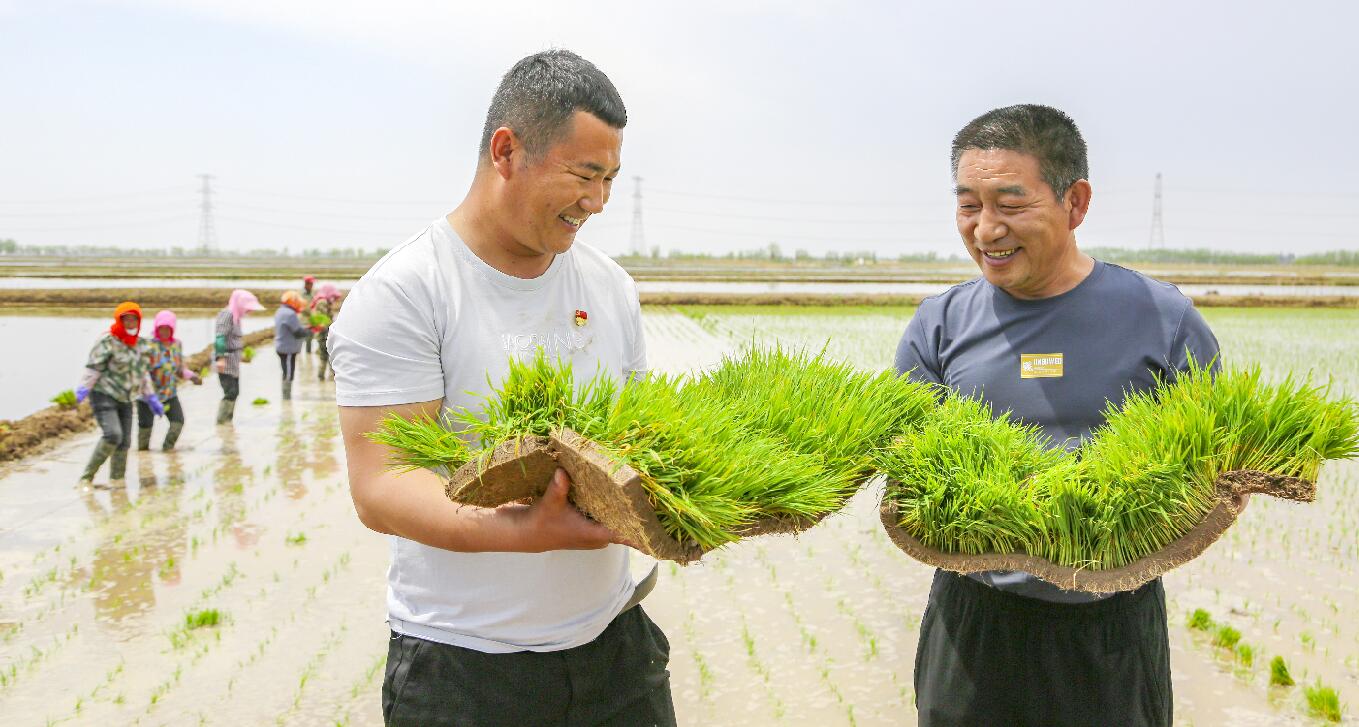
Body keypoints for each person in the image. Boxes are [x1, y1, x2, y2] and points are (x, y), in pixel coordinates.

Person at [330, 50, 672, 726]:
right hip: (465, 670)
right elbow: (381, 486)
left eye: (609, 179)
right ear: (507, 150)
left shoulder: (608, 286)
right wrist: (527, 531)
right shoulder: (408, 291)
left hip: (615, 648)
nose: (597, 201)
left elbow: (636, 436)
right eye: (584, 174)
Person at [895, 104, 1225, 727]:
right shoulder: (938, 326)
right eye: (969, 205)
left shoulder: (1163, 320)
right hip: (975, 623)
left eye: (1011, 204)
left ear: (1076, 203)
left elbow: (1216, 468)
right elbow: (907, 465)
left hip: (1110, 629)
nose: (986, 229)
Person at [76, 301, 162, 484]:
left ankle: (117, 481)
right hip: (104, 395)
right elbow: (93, 368)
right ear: (119, 320)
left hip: (126, 398)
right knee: (113, 435)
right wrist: (83, 389)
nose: (130, 324)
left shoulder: (140, 345)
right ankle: (86, 478)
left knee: (124, 442)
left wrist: (151, 396)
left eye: (133, 320)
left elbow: (142, 373)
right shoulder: (107, 341)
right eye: (126, 320)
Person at [137, 309, 201, 451]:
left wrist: (192, 376)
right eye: (161, 328)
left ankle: (167, 449)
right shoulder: (148, 346)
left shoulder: (176, 345)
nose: (164, 331)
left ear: (173, 329)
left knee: (178, 421)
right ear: (156, 328)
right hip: (148, 396)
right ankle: (144, 463)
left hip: (169, 393)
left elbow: (179, 368)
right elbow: (142, 372)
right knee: (144, 435)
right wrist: (150, 396)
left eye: (168, 328)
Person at [213, 289, 263, 424]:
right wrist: (220, 358)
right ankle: (222, 422)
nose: (249, 311)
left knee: (235, 391)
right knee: (230, 392)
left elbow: (233, 339)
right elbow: (220, 337)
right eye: (247, 308)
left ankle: (228, 421)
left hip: (233, 360)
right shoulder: (227, 315)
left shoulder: (236, 317)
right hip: (226, 360)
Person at [274, 291, 308, 400]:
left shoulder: (280, 311)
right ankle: (286, 399)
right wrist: (310, 330)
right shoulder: (290, 314)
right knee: (288, 373)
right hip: (287, 348)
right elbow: (297, 332)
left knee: (286, 371)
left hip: (282, 346)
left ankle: (286, 396)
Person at [308, 282, 341, 380]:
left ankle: (322, 378)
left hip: (323, 334)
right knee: (328, 357)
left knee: (325, 357)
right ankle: (328, 378)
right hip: (323, 335)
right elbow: (323, 320)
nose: (333, 299)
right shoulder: (322, 302)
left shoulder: (323, 301)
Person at [301, 275, 316, 354]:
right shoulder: (301, 294)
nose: (312, 286)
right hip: (303, 321)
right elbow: (302, 308)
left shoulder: (312, 294)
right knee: (300, 341)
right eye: (311, 284)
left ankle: (308, 357)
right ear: (306, 284)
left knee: (309, 340)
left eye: (312, 284)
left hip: (311, 321)